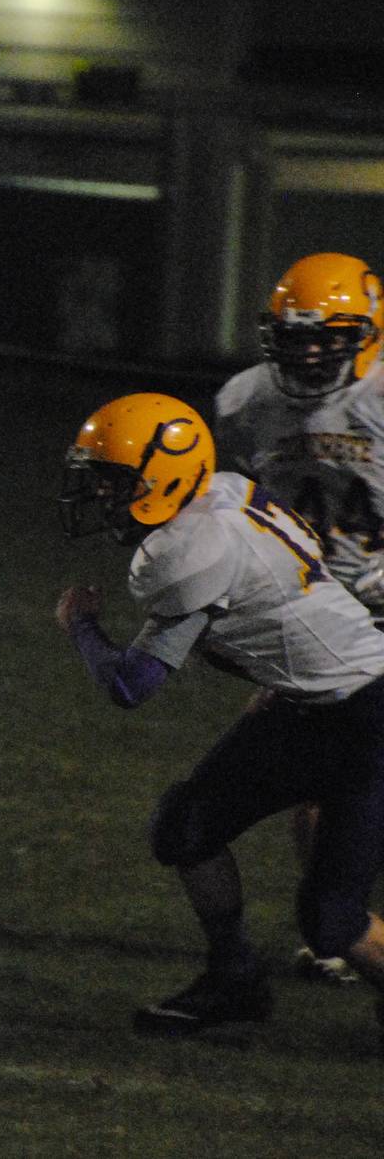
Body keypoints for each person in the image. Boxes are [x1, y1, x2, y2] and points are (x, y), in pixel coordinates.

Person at [55, 391, 384, 1041]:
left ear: (163, 476)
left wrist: (81, 626)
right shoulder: (224, 493)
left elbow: (131, 683)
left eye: (114, 479)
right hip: (313, 700)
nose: (101, 494)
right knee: (185, 826)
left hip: (367, 714)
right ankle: (234, 977)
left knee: (332, 921)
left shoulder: (188, 550)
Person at [214, 250, 384, 986]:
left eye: (327, 338)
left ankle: (341, 924)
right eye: (296, 337)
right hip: (315, 613)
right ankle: (336, 933)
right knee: (315, 774)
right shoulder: (245, 400)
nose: (310, 353)